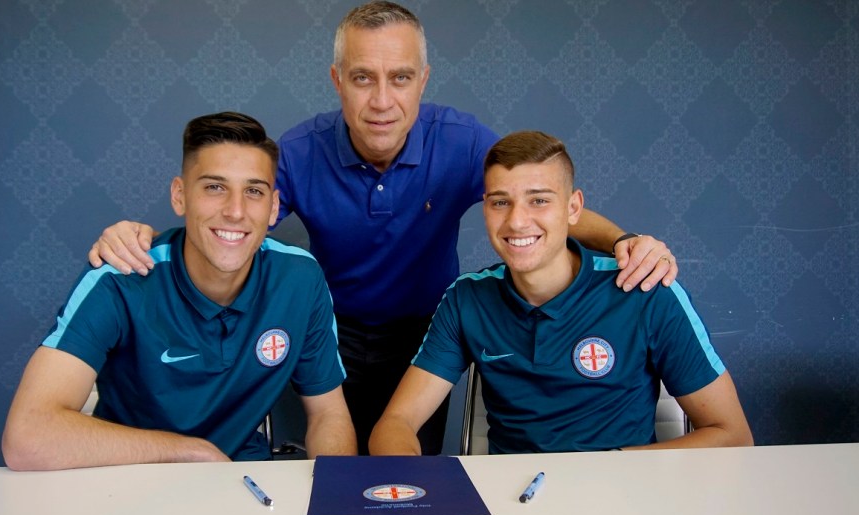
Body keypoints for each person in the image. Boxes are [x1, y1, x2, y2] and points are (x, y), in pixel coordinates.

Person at [86, 1, 678, 455]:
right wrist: (143, 240)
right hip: (330, 332)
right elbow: (231, 223)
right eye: (363, 77)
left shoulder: (462, 141)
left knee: (407, 463)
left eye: (399, 78)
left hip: (429, 331)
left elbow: (532, 199)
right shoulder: (300, 150)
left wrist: (624, 242)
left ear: (423, 81)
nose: (381, 100)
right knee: (330, 461)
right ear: (337, 80)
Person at [2, 112, 356, 471]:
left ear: (273, 207)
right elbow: (27, 436)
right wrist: (191, 453)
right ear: (180, 195)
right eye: (215, 187)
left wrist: (336, 493)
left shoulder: (300, 279)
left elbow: (327, 414)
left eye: (253, 191)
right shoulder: (120, 275)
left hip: (245, 482)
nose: (235, 211)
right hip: (126, 481)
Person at [369, 130, 753, 455]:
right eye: (500, 202)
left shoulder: (646, 289)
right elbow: (396, 423)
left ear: (573, 208)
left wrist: (607, 468)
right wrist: (413, 485)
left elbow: (732, 435)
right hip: (511, 506)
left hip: (624, 500)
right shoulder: (466, 299)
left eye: (539, 200)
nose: (517, 221)